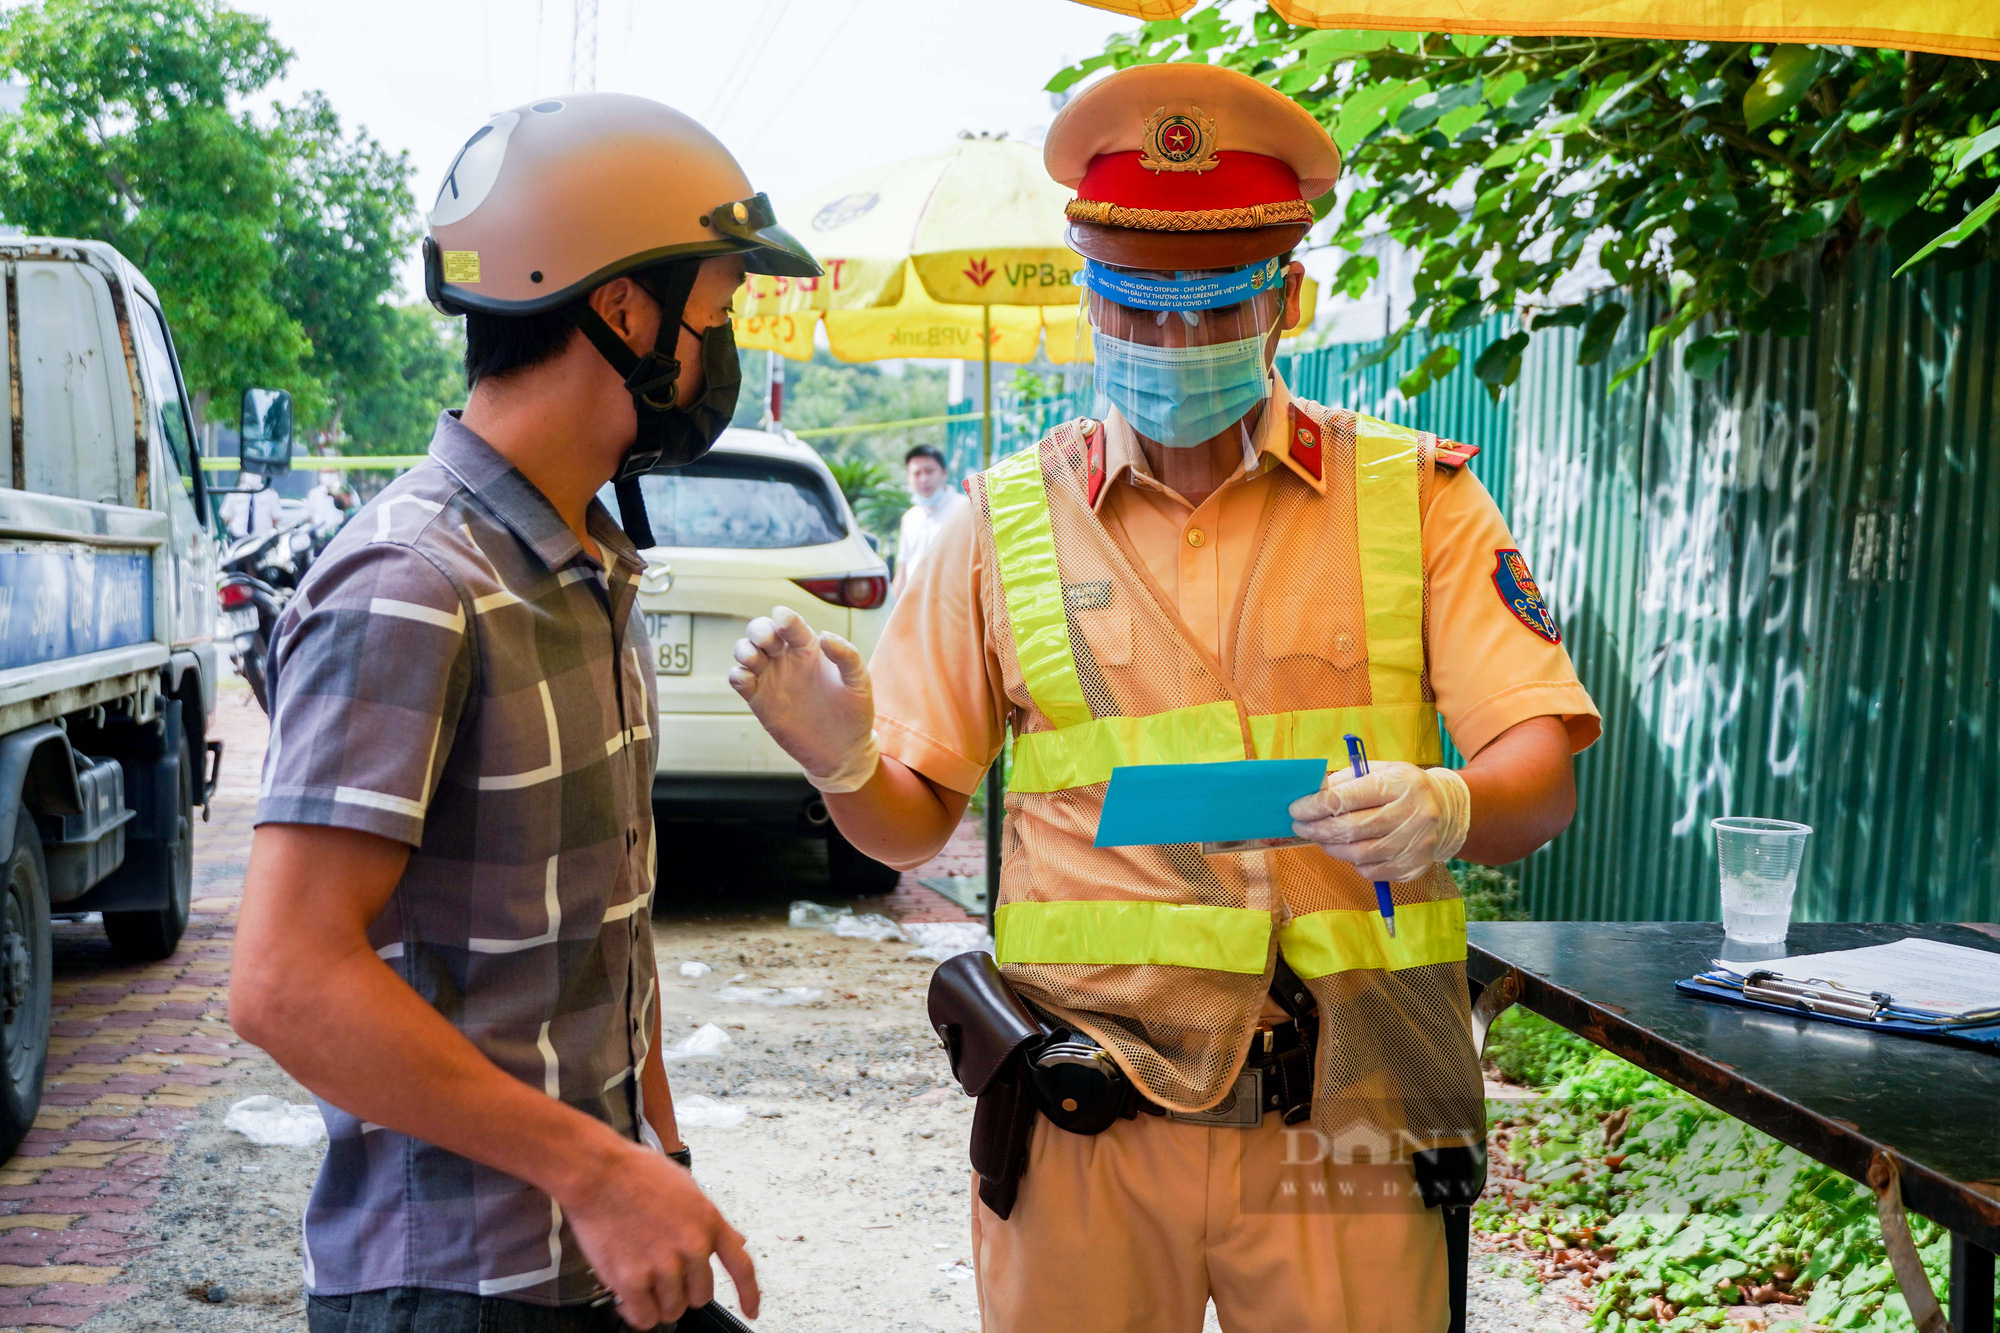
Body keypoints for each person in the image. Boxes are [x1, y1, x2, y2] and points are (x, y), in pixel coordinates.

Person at [728, 63, 1600, 1333]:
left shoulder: (1416, 499)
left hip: (1346, 1116)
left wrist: (1447, 805)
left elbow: (1541, 771)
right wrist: (841, 757)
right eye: (1132, 305)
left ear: (1286, 299)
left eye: (1212, 303)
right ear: (1089, 297)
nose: (1170, 342)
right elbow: (910, 824)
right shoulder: (995, 524)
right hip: (1086, 1116)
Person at [229, 93, 821, 1333]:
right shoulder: (412, 582)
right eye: (714, 310)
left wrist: (645, 1136)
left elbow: (590, 907)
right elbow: (286, 980)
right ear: (622, 312)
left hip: (593, 1254)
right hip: (455, 1288)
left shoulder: (581, 566)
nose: (725, 350)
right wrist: (594, 1168)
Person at [891, 443, 968, 596]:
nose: (924, 479)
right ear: (909, 478)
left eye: (929, 471)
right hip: (917, 605)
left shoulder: (965, 508)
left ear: (944, 473)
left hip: (956, 602)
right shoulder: (910, 518)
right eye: (917, 473)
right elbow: (903, 571)